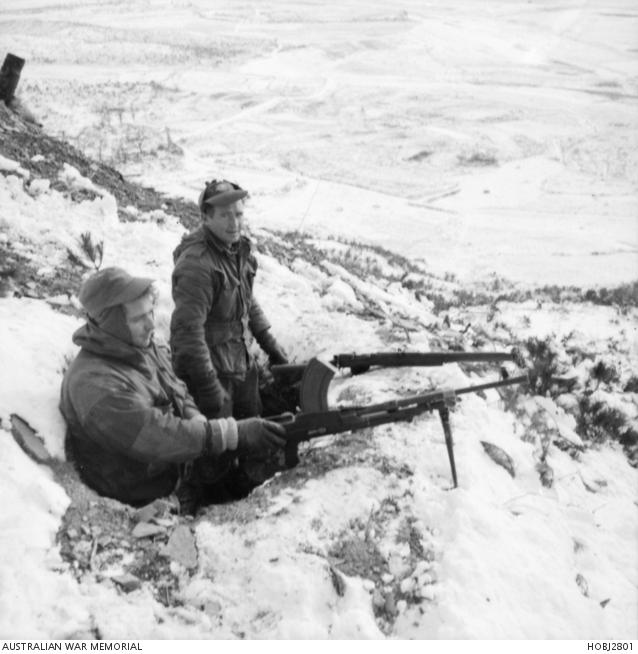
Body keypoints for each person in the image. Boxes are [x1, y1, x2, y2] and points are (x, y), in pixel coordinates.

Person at [59, 267, 287, 512]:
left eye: (150, 312)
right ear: (110, 324)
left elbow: (176, 387)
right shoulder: (96, 386)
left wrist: (195, 417)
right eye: (137, 319)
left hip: (174, 466)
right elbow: (157, 434)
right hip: (144, 494)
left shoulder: (140, 346)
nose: (150, 325)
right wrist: (233, 434)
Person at [170, 179, 288, 421]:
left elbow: (246, 301)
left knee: (254, 441)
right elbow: (188, 334)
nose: (234, 223)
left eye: (238, 214)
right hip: (212, 376)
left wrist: (271, 346)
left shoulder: (236, 250)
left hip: (240, 366)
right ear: (206, 218)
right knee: (219, 452)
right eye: (225, 215)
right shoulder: (197, 265)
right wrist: (209, 387)